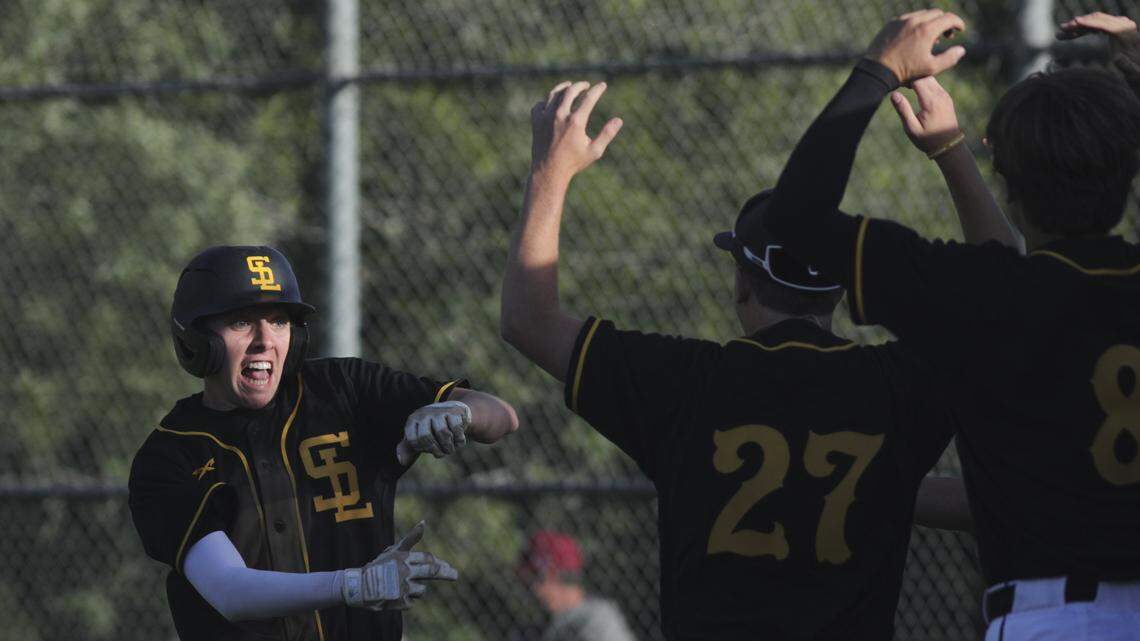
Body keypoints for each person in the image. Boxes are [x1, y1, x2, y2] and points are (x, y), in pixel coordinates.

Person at [500, 80, 963, 640]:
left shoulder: (687, 384)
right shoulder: (895, 385)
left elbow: (529, 320)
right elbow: (996, 303)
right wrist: (950, 147)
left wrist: (550, 173)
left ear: (743, 284)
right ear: (840, 292)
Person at [741, 8, 1140, 640]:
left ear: (1006, 180)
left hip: (1052, 619)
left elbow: (794, 216)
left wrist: (879, 70)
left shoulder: (982, 294)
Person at [129, 245, 519, 641]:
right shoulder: (170, 454)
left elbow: (502, 416)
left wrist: (458, 413)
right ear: (197, 340)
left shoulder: (343, 390)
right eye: (241, 323)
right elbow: (231, 591)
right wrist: (354, 585)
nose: (265, 340)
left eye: (279, 322)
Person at [517, 530, 637, 641]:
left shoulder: (597, 619)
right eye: (528, 581)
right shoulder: (545, 626)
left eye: (537, 579)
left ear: (557, 575)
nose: (533, 589)